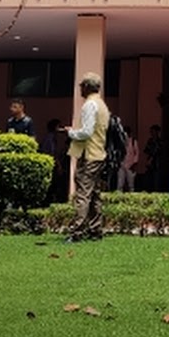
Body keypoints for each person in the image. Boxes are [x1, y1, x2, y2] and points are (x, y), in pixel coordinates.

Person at [64, 72, 110, 243]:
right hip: (99, 153)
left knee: (83, 194)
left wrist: (71, 132)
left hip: (89, 154)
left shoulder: (89, 105)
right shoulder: (102, 104)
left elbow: (86, 132)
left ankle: (77, 231)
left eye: (81, 86)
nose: (80, 89)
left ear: (86, 87)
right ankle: (95, 229)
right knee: (95, 193)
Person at [117, 125, 139, 192]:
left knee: (131, 185)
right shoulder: (120, 142)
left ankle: (131, 196)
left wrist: (134, 163)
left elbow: (137, 153)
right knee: (120, 184)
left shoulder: (133, 141)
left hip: (130, 165)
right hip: (121, 165)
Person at [143, 124, 165, 191]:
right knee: (148, 181)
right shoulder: (150, 140)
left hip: (157, 164)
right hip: (150, 164)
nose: (152, 133)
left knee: (156, 181)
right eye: (151, 131)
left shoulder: (160, 141)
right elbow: (146, 150)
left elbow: (160, 152)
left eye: (153, 131)